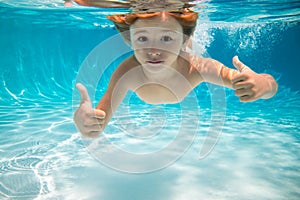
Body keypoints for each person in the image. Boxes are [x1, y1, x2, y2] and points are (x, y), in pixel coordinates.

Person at [73, 10, 278, 138]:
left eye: (166, 38)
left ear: (184, 40)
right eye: (142, 39)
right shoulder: (127, 72)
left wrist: (264, 85)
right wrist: (88, 124)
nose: (153, 50)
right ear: (129, 40)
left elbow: (269, 86)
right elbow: (99, 122)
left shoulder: (197, 67)